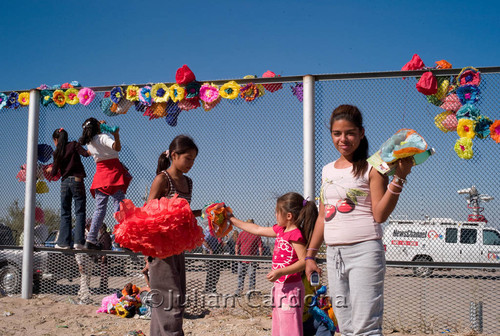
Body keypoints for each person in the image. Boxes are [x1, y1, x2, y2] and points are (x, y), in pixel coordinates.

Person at [305, 104, 413, 336]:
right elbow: (324, 216)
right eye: (337, 133)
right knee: (344, 325)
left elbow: (380, 215)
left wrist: (400, 178)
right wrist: (310, 256)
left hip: (365, 252)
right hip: (334, 256)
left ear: (361, 133)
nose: (343, 139)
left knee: (366, 327)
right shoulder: (327, 170)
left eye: (350, 133)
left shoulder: (373, 168)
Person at [228, 192, 318, 336]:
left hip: (292, 289)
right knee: (279, 324)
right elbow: (256, 229)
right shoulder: (280, 230)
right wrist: (232, 219)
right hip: (279, 287)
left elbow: (303, 262)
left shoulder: (295, 234)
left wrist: (281, 272)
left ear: (288, 216)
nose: (275, 215)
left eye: (277, 212)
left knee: (290, 327)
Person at [146, 135, 201, 336]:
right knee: (171, 302)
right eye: (188, 158)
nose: (191, 164)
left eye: (194, 160)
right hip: (160, 251)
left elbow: (184, 214)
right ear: (174, 155)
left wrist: (205, 212)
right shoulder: (162, 179)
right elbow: (147, 216)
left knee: (175, 299)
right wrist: (148, 255)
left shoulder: (188, 182)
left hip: (178, 249)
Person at [78, 118, 132, 250]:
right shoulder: (103, 138)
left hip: (100, 177)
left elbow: (96, 148)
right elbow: (117, 147)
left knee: (99, 210)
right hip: (113, 175)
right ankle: (122, 239)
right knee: (119, 206)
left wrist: (100, 126)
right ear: (97, 127)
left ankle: (90, 240)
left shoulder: (90, 142)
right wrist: (116, 134)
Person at [49, 128, 90, 249]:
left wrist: (49, 169)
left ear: (56, 140)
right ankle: (79, 241)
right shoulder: (73, 145)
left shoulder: (57, 152)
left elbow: (54, 173)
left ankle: (63, 242)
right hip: (77, 180)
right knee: (80, 212)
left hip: (65, 183)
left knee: (65, 212)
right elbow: (86, 154)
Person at [235, 219, 263, 296]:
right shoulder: (256, 234)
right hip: (252, 259)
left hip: (243, 258)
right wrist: (260, 256)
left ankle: (239, 291)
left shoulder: (241, 233)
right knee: (251, 277)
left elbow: (237, 245)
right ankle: (251, 291)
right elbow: (260, 247)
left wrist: (237, 254)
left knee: (241, 276)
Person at [202, 227, 224, 294]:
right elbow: (204, 241)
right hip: (211, 251)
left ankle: (212, 288)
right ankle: (208, 288)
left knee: (216, 272)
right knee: (212, 271)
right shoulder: (209, 230)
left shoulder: (217, 230)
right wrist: (210, 249)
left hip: (215, 251)